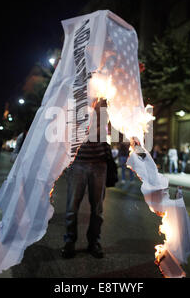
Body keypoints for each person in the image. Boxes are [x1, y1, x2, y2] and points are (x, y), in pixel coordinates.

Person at [62, 98, 108, 259]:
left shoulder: (106, 103)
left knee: (97, 209)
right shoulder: (76, 103)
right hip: (78, 164)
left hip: (99, 164)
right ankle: (69, 241)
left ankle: (94, 242)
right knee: (72, 207)